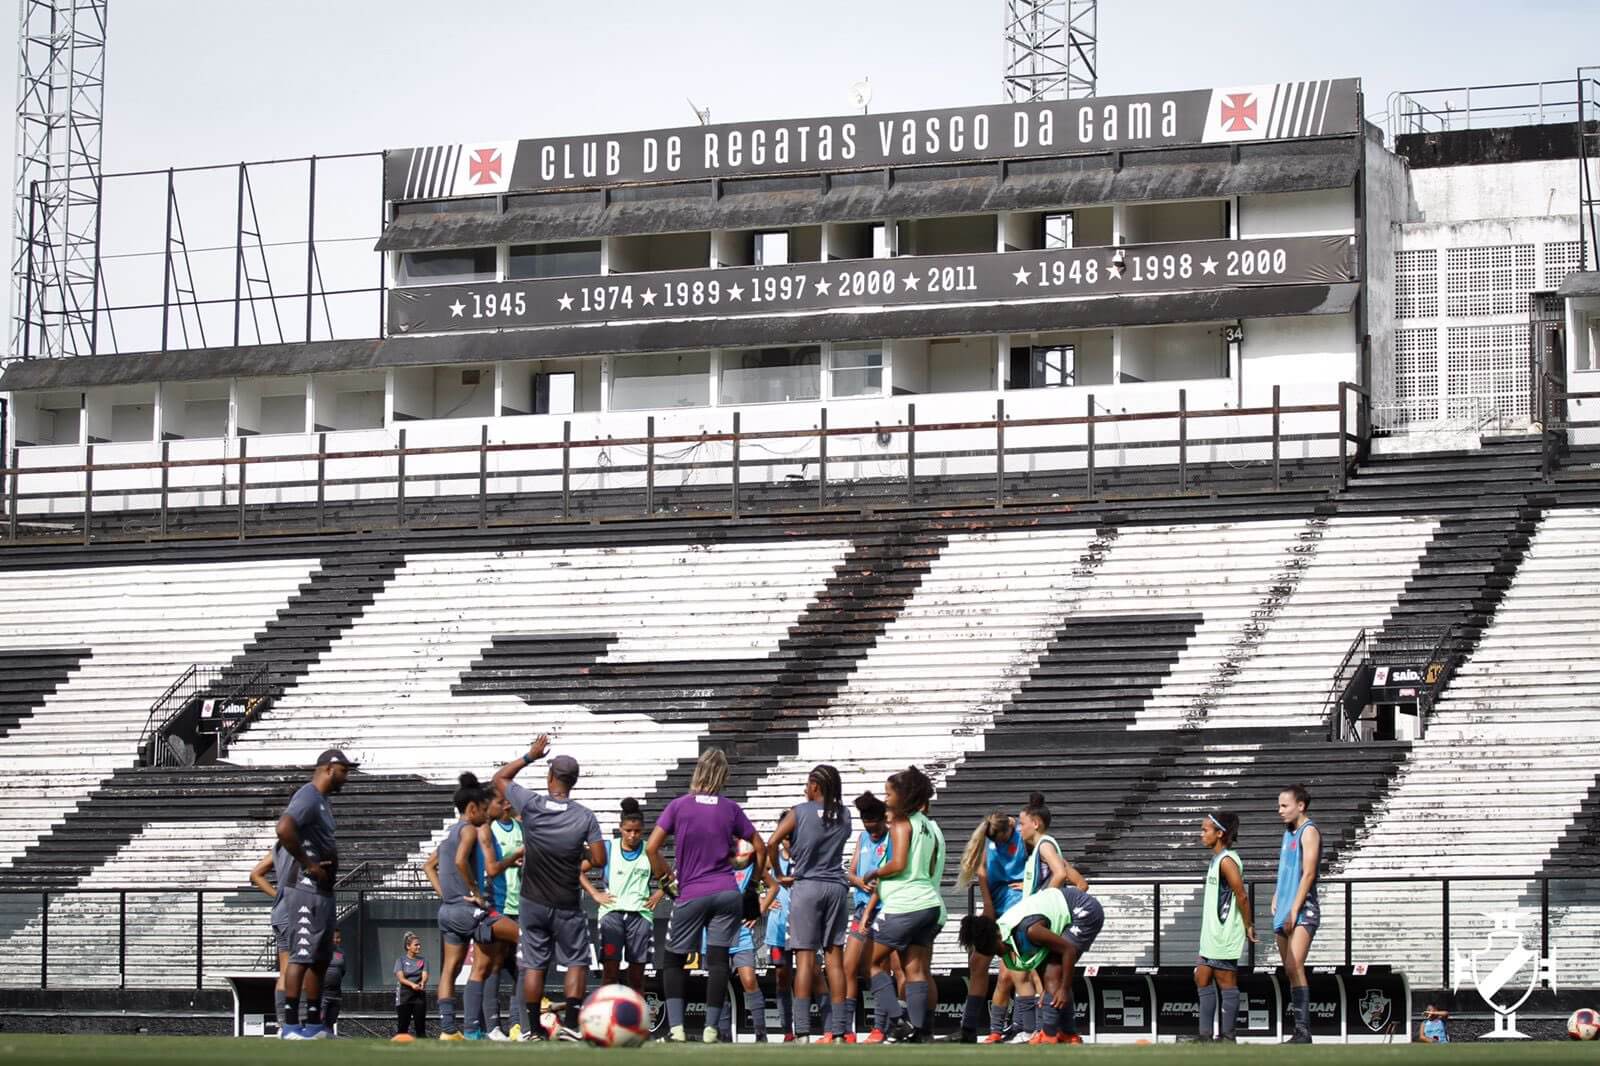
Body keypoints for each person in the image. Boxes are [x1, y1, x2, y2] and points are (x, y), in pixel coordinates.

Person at [647, 748, 766, 1043]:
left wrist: (665, 878)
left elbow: (652, 848)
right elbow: (759, 846)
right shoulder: (730, 809)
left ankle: (676, 1030)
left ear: (697, 772)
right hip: (727, 893)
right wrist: (751, 886)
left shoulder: (678, 806)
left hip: (692, 892)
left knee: (673, 960)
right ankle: (712, 1031)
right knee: (717, 960)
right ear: (723, 776)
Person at [494, 734, 605, 1042]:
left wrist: (530, 755)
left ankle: (532, 1030)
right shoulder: (584, 816)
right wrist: (573, 852)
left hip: (532, 901)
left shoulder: (530, 804)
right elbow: (598, 858)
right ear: (574, 782)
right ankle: (570, 1025)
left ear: (550, 776)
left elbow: (499, 778)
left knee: (533, 965)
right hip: (566, 902)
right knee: (576, 961)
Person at [424, 772, 520, 1040]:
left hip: (449, 910)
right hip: (472, 910)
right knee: (526, 938)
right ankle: (525, 1016)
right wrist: (474, 891)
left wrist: (448, 895)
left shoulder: (448, 834)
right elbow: (459, 861)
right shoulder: (469, 829)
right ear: (473, 808)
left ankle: (450, 1030)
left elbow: (429, 866)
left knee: (453, 969)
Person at [274, 748, 357, 1039]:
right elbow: (284, 828)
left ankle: (313, 1025)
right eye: (344, 770)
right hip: (306, 890)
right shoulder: (308, 795)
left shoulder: (322, 801)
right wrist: (309, 864)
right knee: (302, 956)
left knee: (321, 959)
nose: (347, 777)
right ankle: (290, 1026)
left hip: (322, 892)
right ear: (328, 768)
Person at [766, 764, 852, 1043]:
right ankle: (839, 1031)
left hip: (807, 886)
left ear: (815, 785)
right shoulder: (845, 814)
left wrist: (780, 875)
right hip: (836, 887)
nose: (805, 788)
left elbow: (772, 843)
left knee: (804, 960)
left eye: (807, 784)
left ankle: (802, 1030)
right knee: (834, 960)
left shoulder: (799, 812)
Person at [958, 884, 1104, 1045]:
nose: (998, 954)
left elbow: (1068, 950)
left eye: (995, 950)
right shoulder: (1005, 931)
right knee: (1051, 972)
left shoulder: (1029, 930)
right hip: (1066, 908)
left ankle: (1049, 1035)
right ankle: (1069, 1034)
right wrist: (1046, 989)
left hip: (1084, 910)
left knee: (1054, 971)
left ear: (997, 938)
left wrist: (1062, 988)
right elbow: (1041, 960)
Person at [863, 765, 945, 1044]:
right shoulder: (931, 827)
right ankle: (920, 1033)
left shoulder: (900, 823)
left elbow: (899, 864)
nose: (885, 799)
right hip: (930, 904)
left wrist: (875, 872)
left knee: (873, 963)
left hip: (905, 903)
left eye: (888, 794)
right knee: (916, 969)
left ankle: (898, 1021)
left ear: (902, 796)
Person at [1010, 792, 1085, 1042]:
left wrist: (1043, 901)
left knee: (1050, 976)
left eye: (1022, 823)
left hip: (1045, 921)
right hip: (1050, 918)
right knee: (1052, 976)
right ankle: (1067, 1033)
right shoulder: (1042, 849)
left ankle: (1049, 1032)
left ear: (1035, 823)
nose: (1019, 828)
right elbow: (1080, 883)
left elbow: (1060, 873)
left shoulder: (1044, 845)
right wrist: (1032, 888)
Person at [955, 809, 1034, 1044]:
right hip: (996, 906)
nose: (998, 844)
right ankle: (969, 1028)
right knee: (978, 963)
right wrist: (987, 912)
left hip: (1017, 906)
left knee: (1010, 972)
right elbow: (983, 880)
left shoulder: (1023, 836)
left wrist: (1029, 885)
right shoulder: (987, 842)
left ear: (1010, 830)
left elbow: (1042, 863)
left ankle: (1024, 1028)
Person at [584, 797, 663, 1002]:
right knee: (610, 972)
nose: (632, 835)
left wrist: (659, 894)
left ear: (643, 830)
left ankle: (639, 1023)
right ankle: (604, 1019)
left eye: (637, 831)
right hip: (612, 915)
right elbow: (577, 871)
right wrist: (595, 894)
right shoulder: (608, 848)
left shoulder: (649, 850)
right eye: (628, 830)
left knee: (637, 977)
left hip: (640, 916)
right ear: (620, 828)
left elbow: (671, 878)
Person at [1195, 810, 1255, 1042]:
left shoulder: (1228, 861)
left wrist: (1248, 925)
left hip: (1223, 934)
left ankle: (1228, 1037)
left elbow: (1241, 895)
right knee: (1201, 977)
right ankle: (1205, 1037)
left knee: (1226, 982)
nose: (1202, 834)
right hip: (1210, 935)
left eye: (1205, 830)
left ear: (1220, 833)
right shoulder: (1216, 859)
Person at [1274, 784, 1321, 1045]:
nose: (1279, 810)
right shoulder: (1288, 834)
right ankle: (1299, 1030)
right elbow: (1286, 869)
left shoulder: (1308, 831)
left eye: (1284, 805)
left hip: (1303, 909)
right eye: (1279, 805)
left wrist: (1294, 908)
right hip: (1284, 908)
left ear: (1300, 806)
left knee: (1294, 965)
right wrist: (1277, 896)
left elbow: (1309, 873)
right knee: (1289, 970)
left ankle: (1304, 1031)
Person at [477, 790, 525, 1040]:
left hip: (521, 905)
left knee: (523, 965)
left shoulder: (521, 828)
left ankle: (517, 1024)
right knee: (493, 963)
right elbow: (490, 866)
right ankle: (492, 1026)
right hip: (498, 904)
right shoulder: (489, 829)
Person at [845, 792, 891, 1042]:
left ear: (883, 820)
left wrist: (871, 885)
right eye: (867, 827)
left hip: (884, 910)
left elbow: (888, 876)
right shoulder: (862, 837)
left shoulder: (894, 838)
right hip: (862, 909)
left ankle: (880, 1028)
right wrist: (860, 883)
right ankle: (845, 1029)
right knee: (848, 966)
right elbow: (851, 873)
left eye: (875, 828)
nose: (872, 833)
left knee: (879, 967)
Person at [248, 846, 291, 1032]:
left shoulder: (280, 846)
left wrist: (278, 897)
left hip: (281, 914)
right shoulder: (304, 845)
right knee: (301, 970)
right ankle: (297, 1024)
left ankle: (284, 1024)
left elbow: (256, 874)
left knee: (285, 971)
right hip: (296, 913)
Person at [762, 833, 796, 1040]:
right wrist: (762, 898)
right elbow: (753, 877)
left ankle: (809, 1028)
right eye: (786, 838)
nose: (789, 841)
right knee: (782, 979)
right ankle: (787, 1031)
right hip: (777, 930)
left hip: (803, 927)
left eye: (793, 837)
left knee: (810, 975)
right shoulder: (771, 859)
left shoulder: (806, 857)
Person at [395, 933, 429, 1039]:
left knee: (420, 1027)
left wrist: (422, 982)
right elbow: (400, 978)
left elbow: (425, 974)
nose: (419, 947)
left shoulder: (423, 960)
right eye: (416, 945)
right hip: (404, 995)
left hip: (419, 995)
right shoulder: (400, 960)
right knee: (403, 1027)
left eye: (419, 945)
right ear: (408, 946)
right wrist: (412, 984)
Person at [321, 928, 346, 1034]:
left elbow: (343, 971)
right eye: (333, 938)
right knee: (320, 1022)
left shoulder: (341, 953)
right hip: (323, 995)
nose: (336, 940)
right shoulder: (321, 951)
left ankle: (329, 1045)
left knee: (330, 1024)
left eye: (338, 937)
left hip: (336, 995)